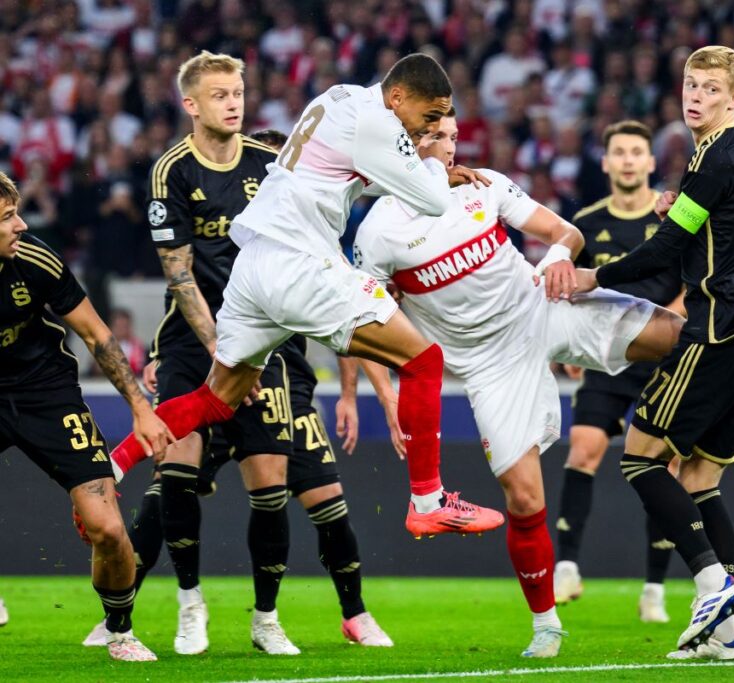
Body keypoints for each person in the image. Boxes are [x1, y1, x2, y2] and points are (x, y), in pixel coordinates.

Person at [105, 53, 504, 541]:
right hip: (302, 264)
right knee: (425, 361)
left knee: (215, 400)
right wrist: (435, 171)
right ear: (398, 96)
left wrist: (427, 168)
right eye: (428, 116)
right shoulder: (380, 122)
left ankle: (111, 468)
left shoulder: (338, 97)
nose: (431, 128)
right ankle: (428, 501)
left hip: (253, 267)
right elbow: (435, 203)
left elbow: (359, 172)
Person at [353, 110, 683, 658]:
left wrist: (556, 257)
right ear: (405, 147)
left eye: (454, 137)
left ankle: (719, 427)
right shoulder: (378, 232)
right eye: (435, 137)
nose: (450, 149)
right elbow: (363, 317)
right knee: (526, 499)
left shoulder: (484, 187)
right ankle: (547, 625)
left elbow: (566, 232)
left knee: (678, 333)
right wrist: (385, 393)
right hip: (489, 368)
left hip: (542, 305)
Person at [81, 117, 390, 653]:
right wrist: (164, 356)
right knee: (168, 489)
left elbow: (350, 313)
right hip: (211, 363)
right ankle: (123, 609)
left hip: (283, 382)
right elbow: (184, 288)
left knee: (318, 498)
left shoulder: (307, 235)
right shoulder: (227, 235)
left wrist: (349, 393)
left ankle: (348, 613)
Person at [574, 46, 734, 661]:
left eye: (709, 88)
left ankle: (713, 584)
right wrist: (684, 215)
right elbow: (716, 228)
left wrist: (597, 275)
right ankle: (726, 638)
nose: (694, 96)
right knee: (701, 479)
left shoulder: (714, 157)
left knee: (641, 459)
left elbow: (666, 250)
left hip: (719, 335)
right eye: (689, 85)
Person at [0, 170, 172, 661]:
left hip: (44, 392)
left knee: (110, 529)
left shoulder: (35, 260)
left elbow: (97, 334)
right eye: (8, 217)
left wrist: (141, 409)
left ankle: (119, 629)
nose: (20, 226)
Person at [551, 120, 687, 624]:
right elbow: (569, 284)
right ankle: (566, 565)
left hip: (663, 360)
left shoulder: (673, 215)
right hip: (607, 357)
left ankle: (654, 588)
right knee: (583, 448)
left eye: (637, 152)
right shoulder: (584, 221)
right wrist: (568, 340)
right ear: (606, 163)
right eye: (619, 153)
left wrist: (672, 323)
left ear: (651, 162)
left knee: (662, 467)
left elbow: (692, 282)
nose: (628, 160)